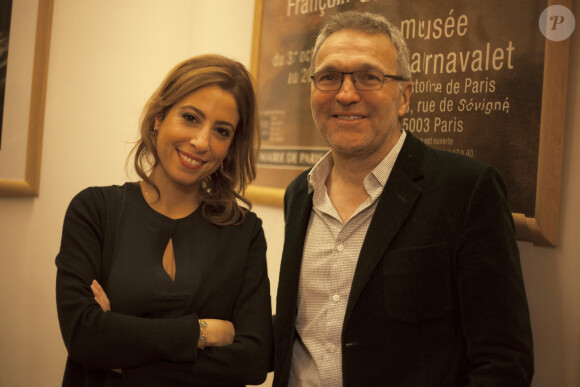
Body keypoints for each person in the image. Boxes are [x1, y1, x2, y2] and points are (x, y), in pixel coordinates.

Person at [273, 11, 533, 386]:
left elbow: (504, 361)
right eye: (329, 77)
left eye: (369, 77)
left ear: (404, 96)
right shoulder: (300, 193)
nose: (346, 94)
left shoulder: (467, 190)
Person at [55, 54, 272, 386]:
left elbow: (253, 361)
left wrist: (123, 358)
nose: (201, 142)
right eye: (189, 117)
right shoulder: (94, 210)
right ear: (158, 117)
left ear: (231, 145)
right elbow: (84, 337)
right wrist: (203, 332)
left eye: (221, 131)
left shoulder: (244, 233)